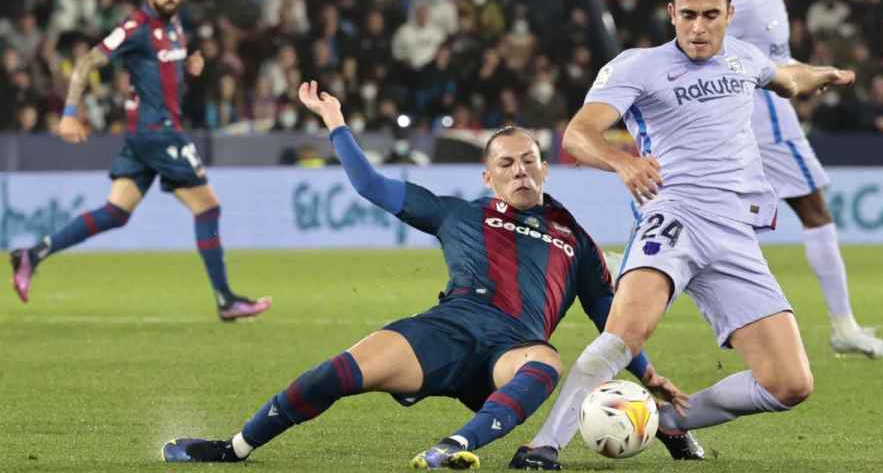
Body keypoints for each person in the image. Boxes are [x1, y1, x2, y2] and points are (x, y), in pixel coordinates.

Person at [161, 80, 696, 469]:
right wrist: (336, 124)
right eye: (507, 164)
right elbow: (371, 185)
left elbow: (612, 319)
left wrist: (649, 376)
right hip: (445, 331)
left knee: (546, 363)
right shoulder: (456, 213)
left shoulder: (573, 236)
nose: (521, 171)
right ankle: (234, 448)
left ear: (546, 167)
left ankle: (454, 448)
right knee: (335, 374)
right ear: (488, 176)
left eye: (530, 160)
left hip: (512, 349)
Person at [510, 0, 857, 469]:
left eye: (710, 15)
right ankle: (544, 446)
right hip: (672, 217)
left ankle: (668, 419)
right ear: (672, 13)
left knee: (790, 383)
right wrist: (622, 163)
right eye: (688, 14)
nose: (698, 28)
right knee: (626, 333)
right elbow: (579, 135)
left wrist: (823, 73)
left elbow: (788, 78)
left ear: (728, 14)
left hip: (734, 232)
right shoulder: (640, 66)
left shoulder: (745, 58)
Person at [8, 0, 270, 321]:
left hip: (145, 135)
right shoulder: (137, 26)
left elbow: (160, 74)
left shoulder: (176, 25)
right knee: (208, 208)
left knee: (116, 213)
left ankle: (32, 254)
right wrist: (69, 113)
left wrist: (188, 68)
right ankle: (226, 299)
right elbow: (86, 62)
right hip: (158, 132)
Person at [731, 0, 883, 358]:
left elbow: (777, 60)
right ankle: (843, 325)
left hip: (756, 122)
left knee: (731, 220)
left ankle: (731, 316)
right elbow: (730, 56)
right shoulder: (744, 2)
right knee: (816, 214)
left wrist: (818, 73)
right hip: (768, 122)